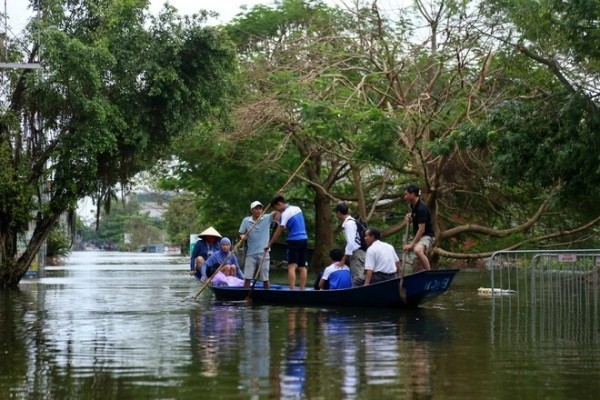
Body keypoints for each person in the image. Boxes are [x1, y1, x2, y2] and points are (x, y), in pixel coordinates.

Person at [265, 194, 308, 291]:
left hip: (294, 240)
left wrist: (269, 244)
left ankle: (292, 290)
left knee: (292, 266)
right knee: (302, 266)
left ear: (279, 204)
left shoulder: (285, 214)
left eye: (276, 207)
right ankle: (302, 290)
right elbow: (289, 224)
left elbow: (278, 232)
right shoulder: (297, 208)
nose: (277, 210)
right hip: (304, 239)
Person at [239, 200, 279, 289]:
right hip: (251, 253)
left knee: (265, 278)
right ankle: (245, 294)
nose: (258, 210)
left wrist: (278, 197)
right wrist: (243, 236)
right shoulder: (246, 220)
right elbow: (241, 233)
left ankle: (266, 295)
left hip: (264, 252)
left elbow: (277, 212)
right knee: (247, 277)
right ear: (252, 210)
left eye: (260, 208)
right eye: (256, 209)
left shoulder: (267, 218)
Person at [402, 184, 434, 271]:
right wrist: (410, 216)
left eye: (406, 194)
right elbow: (417, 218)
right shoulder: (413, 205)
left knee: (418, 250)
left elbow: (421, 229)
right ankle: (421, 274)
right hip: (419, 236)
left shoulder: (421, 208)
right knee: (416, 260)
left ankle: (428, 273)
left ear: (412, 194)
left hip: (427, 236)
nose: (405, 197)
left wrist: (411, 244)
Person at [334, 202, 366, 283]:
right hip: (361, 252)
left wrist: (343, 259)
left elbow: (350, 243)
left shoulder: (349, 223)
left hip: (357, 253)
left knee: (357, 279)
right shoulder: (353, 221)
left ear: (339, 213)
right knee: (360, 277)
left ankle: (359, 295)